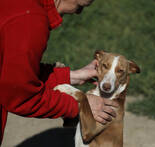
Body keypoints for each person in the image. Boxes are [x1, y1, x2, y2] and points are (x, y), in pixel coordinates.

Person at [0, 0, 118, 145]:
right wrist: (81, 106)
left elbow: (9, 72)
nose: (78, 12)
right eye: (80, 6)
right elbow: (20, 95)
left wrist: (71, 76)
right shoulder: (29, 19)